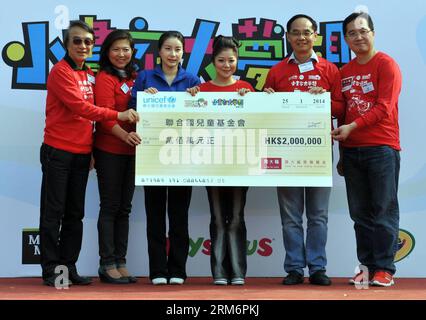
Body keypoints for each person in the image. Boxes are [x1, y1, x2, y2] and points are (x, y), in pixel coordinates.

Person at [39, 21, 138, 287]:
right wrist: (118, 115)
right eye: (77, 41)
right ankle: (51, 270)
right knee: (53, 214)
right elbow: (82, 108)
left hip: (82, 154)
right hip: (57, 152)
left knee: (75, 214)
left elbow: (90, 118)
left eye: (88, 42)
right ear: (66, 44)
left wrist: (92, 148)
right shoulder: (61, 72)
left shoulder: (89, 73)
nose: (83, 46)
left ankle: (68, 268)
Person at [263, 14, 345, 286]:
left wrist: (323, 101)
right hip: (285, 152)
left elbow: (341, 108)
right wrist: (268, 99)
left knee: (318, 215)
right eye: (295, 33)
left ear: (315, 36)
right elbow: (263, 111)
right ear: (287, 36)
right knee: (290, 217)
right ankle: (295, 268)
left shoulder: (330, 70)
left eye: (307, 32)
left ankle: (318, 267)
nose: (301, 38)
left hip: (318, 149)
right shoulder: (276, 71)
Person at [332, 12, 402, 287]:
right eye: (352, 33)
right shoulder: (344, 72)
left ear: (372, 33)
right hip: (351, 151)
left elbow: (384, 107)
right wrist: (316, 100)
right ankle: (365, 267)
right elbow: (340, 110)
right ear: (346, 38)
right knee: (359, 214)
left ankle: (384, 268)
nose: (358, 37)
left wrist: (353, 126)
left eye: (363, 31)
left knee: (383, 210)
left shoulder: (386, 64)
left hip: (381, 147)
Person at [129, 31, 200, 285]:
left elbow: (204, 115)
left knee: (179, 216)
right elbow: (133, 111)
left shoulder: (192, 79)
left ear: (183, 53)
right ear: (159, 52)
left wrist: (198, 98)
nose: (173, 54)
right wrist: (143, 98)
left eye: (178, 50)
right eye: (168, 49)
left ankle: (178, 270)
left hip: (184, 156)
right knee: (155, 215)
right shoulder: (145, 77)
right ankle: (158, 270)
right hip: (153, 156)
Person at [187, 35, 254, 285]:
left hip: (240, 164)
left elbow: (261, 119)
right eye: (221, 60)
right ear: (213, 62)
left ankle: (237, 272)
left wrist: (262, 97)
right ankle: (218, 272)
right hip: (211, 163)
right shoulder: (201, 90)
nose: (227, 65)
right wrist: (190, 97)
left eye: (231, 60)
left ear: (237, 61)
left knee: (236, 217)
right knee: (217, 217)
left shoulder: (246, 89)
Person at [94, 30, 141, 284]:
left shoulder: (138, 77)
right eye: (116, 49)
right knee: (110, 206)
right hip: (110, 150)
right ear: (107, 52)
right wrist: (124, 136)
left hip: (134, 151)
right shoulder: (104, 78)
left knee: (125, 208)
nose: (121, 54)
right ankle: (107, 263)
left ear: (133, 51)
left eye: (126, 49)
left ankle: (120, 261)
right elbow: (103, 117)